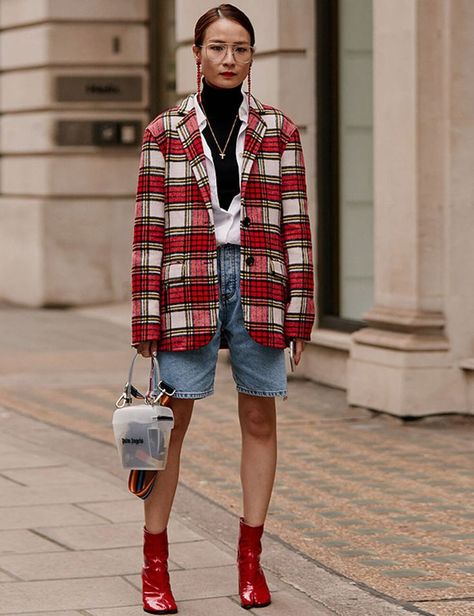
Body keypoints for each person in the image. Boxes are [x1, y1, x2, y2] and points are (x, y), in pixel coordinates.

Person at [131, 4, 315, 613]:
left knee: (260, 419)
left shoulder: (281, 130)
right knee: (169, 426)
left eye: (239, 47)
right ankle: (155, 566)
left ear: (253, 56)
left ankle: (250, 563)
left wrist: (301, 310)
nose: (229, 58)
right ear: (197, 54)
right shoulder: (164, 132)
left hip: (261, 278)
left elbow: (296, 224)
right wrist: (145, 319)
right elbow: (147, 231)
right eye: (217, 47)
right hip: (186, 280)